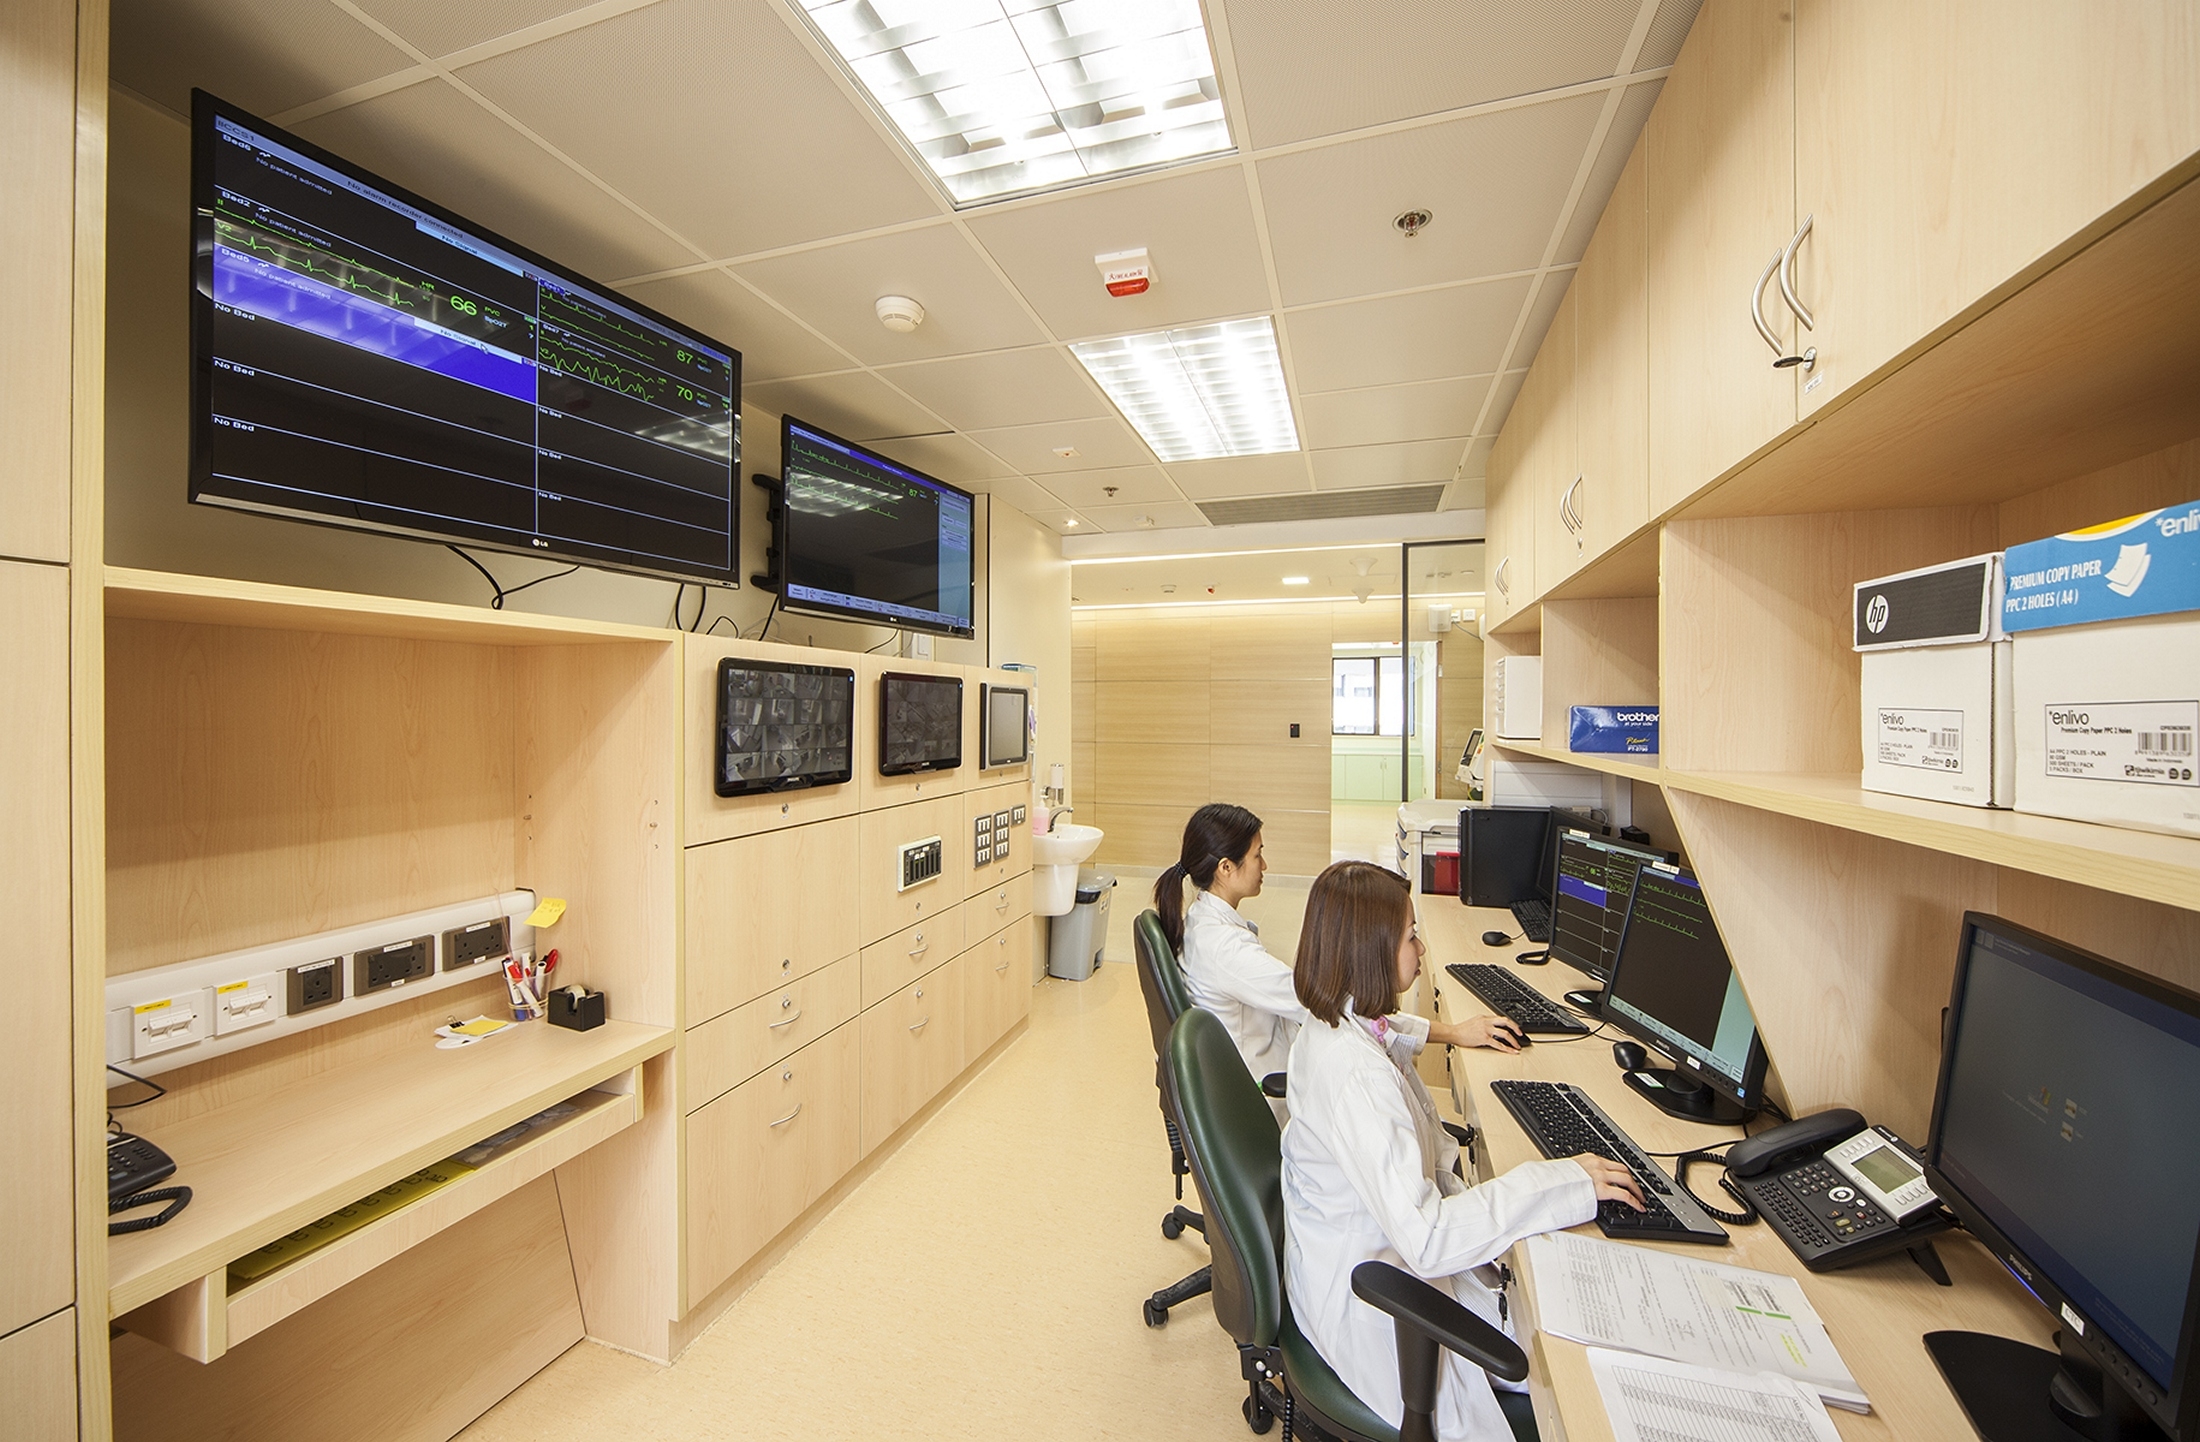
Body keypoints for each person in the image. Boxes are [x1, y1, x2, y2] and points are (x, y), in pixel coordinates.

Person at [1282, 861, 1645, 1440]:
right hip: (1376, 1302)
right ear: (1372, 952)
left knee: (1543, 1295)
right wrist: (1560, 1180)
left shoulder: (1332, 1019)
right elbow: (1427, 1240)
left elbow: (1385, 1025)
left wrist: (1451, 1032)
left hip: (1353, 1257)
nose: (1422, 947)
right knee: (1573, 1369)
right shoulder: (1356, 1079)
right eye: (1409, 936)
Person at [1153, 804, 1521, 1118]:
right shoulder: (1225, 949)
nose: (1265, 863)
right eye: (1256, 855)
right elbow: (1336, 1008)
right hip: (1264, 1093)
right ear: (1225, 868)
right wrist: (1453, 1033)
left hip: (1256, 1067)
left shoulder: (1203, 923)